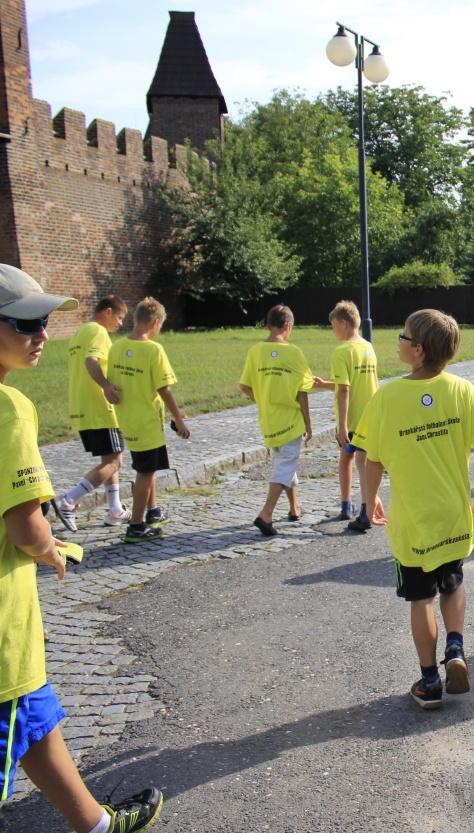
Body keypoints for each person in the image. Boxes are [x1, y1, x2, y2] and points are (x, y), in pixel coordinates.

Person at [0, 264, 164, 832]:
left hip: (15, 621)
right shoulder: (9, 409)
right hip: (1, 620)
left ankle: (94, 825)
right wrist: (51, 550)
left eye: (44, 321)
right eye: (25, 324)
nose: (42, 334)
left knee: (37, 722)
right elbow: (25, 527)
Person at [355, 310, 474, 710]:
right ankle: (455, 647)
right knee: (452, 583)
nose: (397, 339)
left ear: (417, 350)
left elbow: (370, 458)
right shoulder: (462, 389)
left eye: (402, 335)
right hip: (453, 514)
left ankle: (430, 681)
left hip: (413, 523)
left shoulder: (387, 396)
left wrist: (370, 501)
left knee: (421, 600)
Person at [108, 298, 190, 544]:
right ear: (155, 323)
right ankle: (136, 525)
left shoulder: (116, 347)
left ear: (134, 319)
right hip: (147, 421)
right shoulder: (153, 350)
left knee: (147, 467)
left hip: (126, 418)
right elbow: (164, 389)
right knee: (145, 472)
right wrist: (179, 419)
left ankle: (153, 512)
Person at [51, 296, 130, 531]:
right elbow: (91, 360)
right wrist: (106, 385)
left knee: (110, 459)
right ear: (107, 312)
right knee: (115, 460)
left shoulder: (80, 331)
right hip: (99, 406)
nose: (119, 324)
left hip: (81, 405)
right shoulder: (97, 331)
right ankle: (69, 500)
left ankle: (115, 509)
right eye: (119, 317)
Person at [239, 305, 314, 537]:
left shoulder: (255, 351)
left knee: (284, 462)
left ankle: (294, 507)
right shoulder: (293, 353)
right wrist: (308, 423)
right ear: (288, 326)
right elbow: (303, 391)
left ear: (267, 325)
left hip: (268, 419)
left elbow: (244, 386)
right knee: (285, 466)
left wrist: (264, 398)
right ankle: (266, 514)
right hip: (290, 420)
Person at [312, 301, 379, 523]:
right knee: (364, 462)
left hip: (351, 419)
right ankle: (363, 504)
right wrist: (325, 384)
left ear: (343, 323)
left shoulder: (342, 352)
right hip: (370, 416)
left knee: (348, 460)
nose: (332, 330)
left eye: (333, 326)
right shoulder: (367, 347)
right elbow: (352, 383)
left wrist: (341, 426)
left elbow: (345, 390)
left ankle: (350, 505)